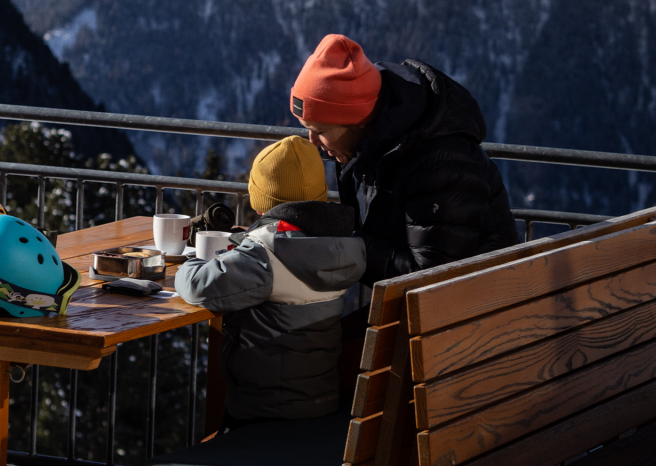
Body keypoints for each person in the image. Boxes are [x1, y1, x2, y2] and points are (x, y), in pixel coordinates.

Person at [290, 34, 519, 286]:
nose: (312, 141)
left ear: (357, 120)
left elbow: (431, 278)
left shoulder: (439, 163)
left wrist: (345, 244)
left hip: (477, 305)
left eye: (320, 131)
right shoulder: (367, 147)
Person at [175, 135, 366, 429]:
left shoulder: (267, 256)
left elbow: (198, 286)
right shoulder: (342, 245)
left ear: (262, 198)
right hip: (322, 402)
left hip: (264, 413)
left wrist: (190, 261)